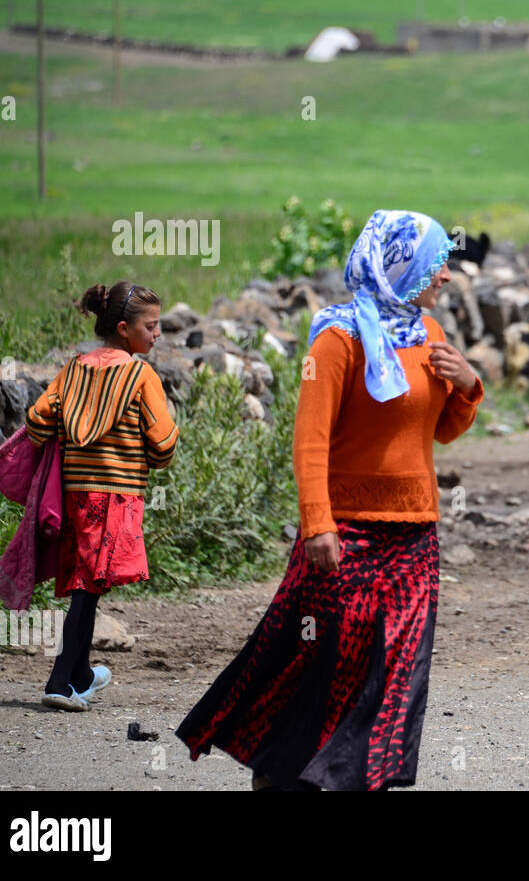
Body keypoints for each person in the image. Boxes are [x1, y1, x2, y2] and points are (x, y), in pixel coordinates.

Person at [177, 210, 484, 791]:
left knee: (398, 666)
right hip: (344, 532)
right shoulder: (338, 336)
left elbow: (438, 431)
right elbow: (309, 439)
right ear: (403, 263)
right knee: (323, 659)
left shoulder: (430, 336)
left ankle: (358, 776)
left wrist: (468, 386)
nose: (446, 276)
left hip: (415, 531)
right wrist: (318, 523)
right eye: (437, 262)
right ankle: (282, 770)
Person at [25, 282, 178, 711]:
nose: (158, 334)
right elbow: (164, 447)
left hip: (75, 493)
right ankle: (57, 683)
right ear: (125, 329)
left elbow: (37, 423)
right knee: (88, 588)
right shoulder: (140, 375)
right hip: (117, 495)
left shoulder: (74, 368)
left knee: (85, 583)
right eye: (152, 326)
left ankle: (81, 675)